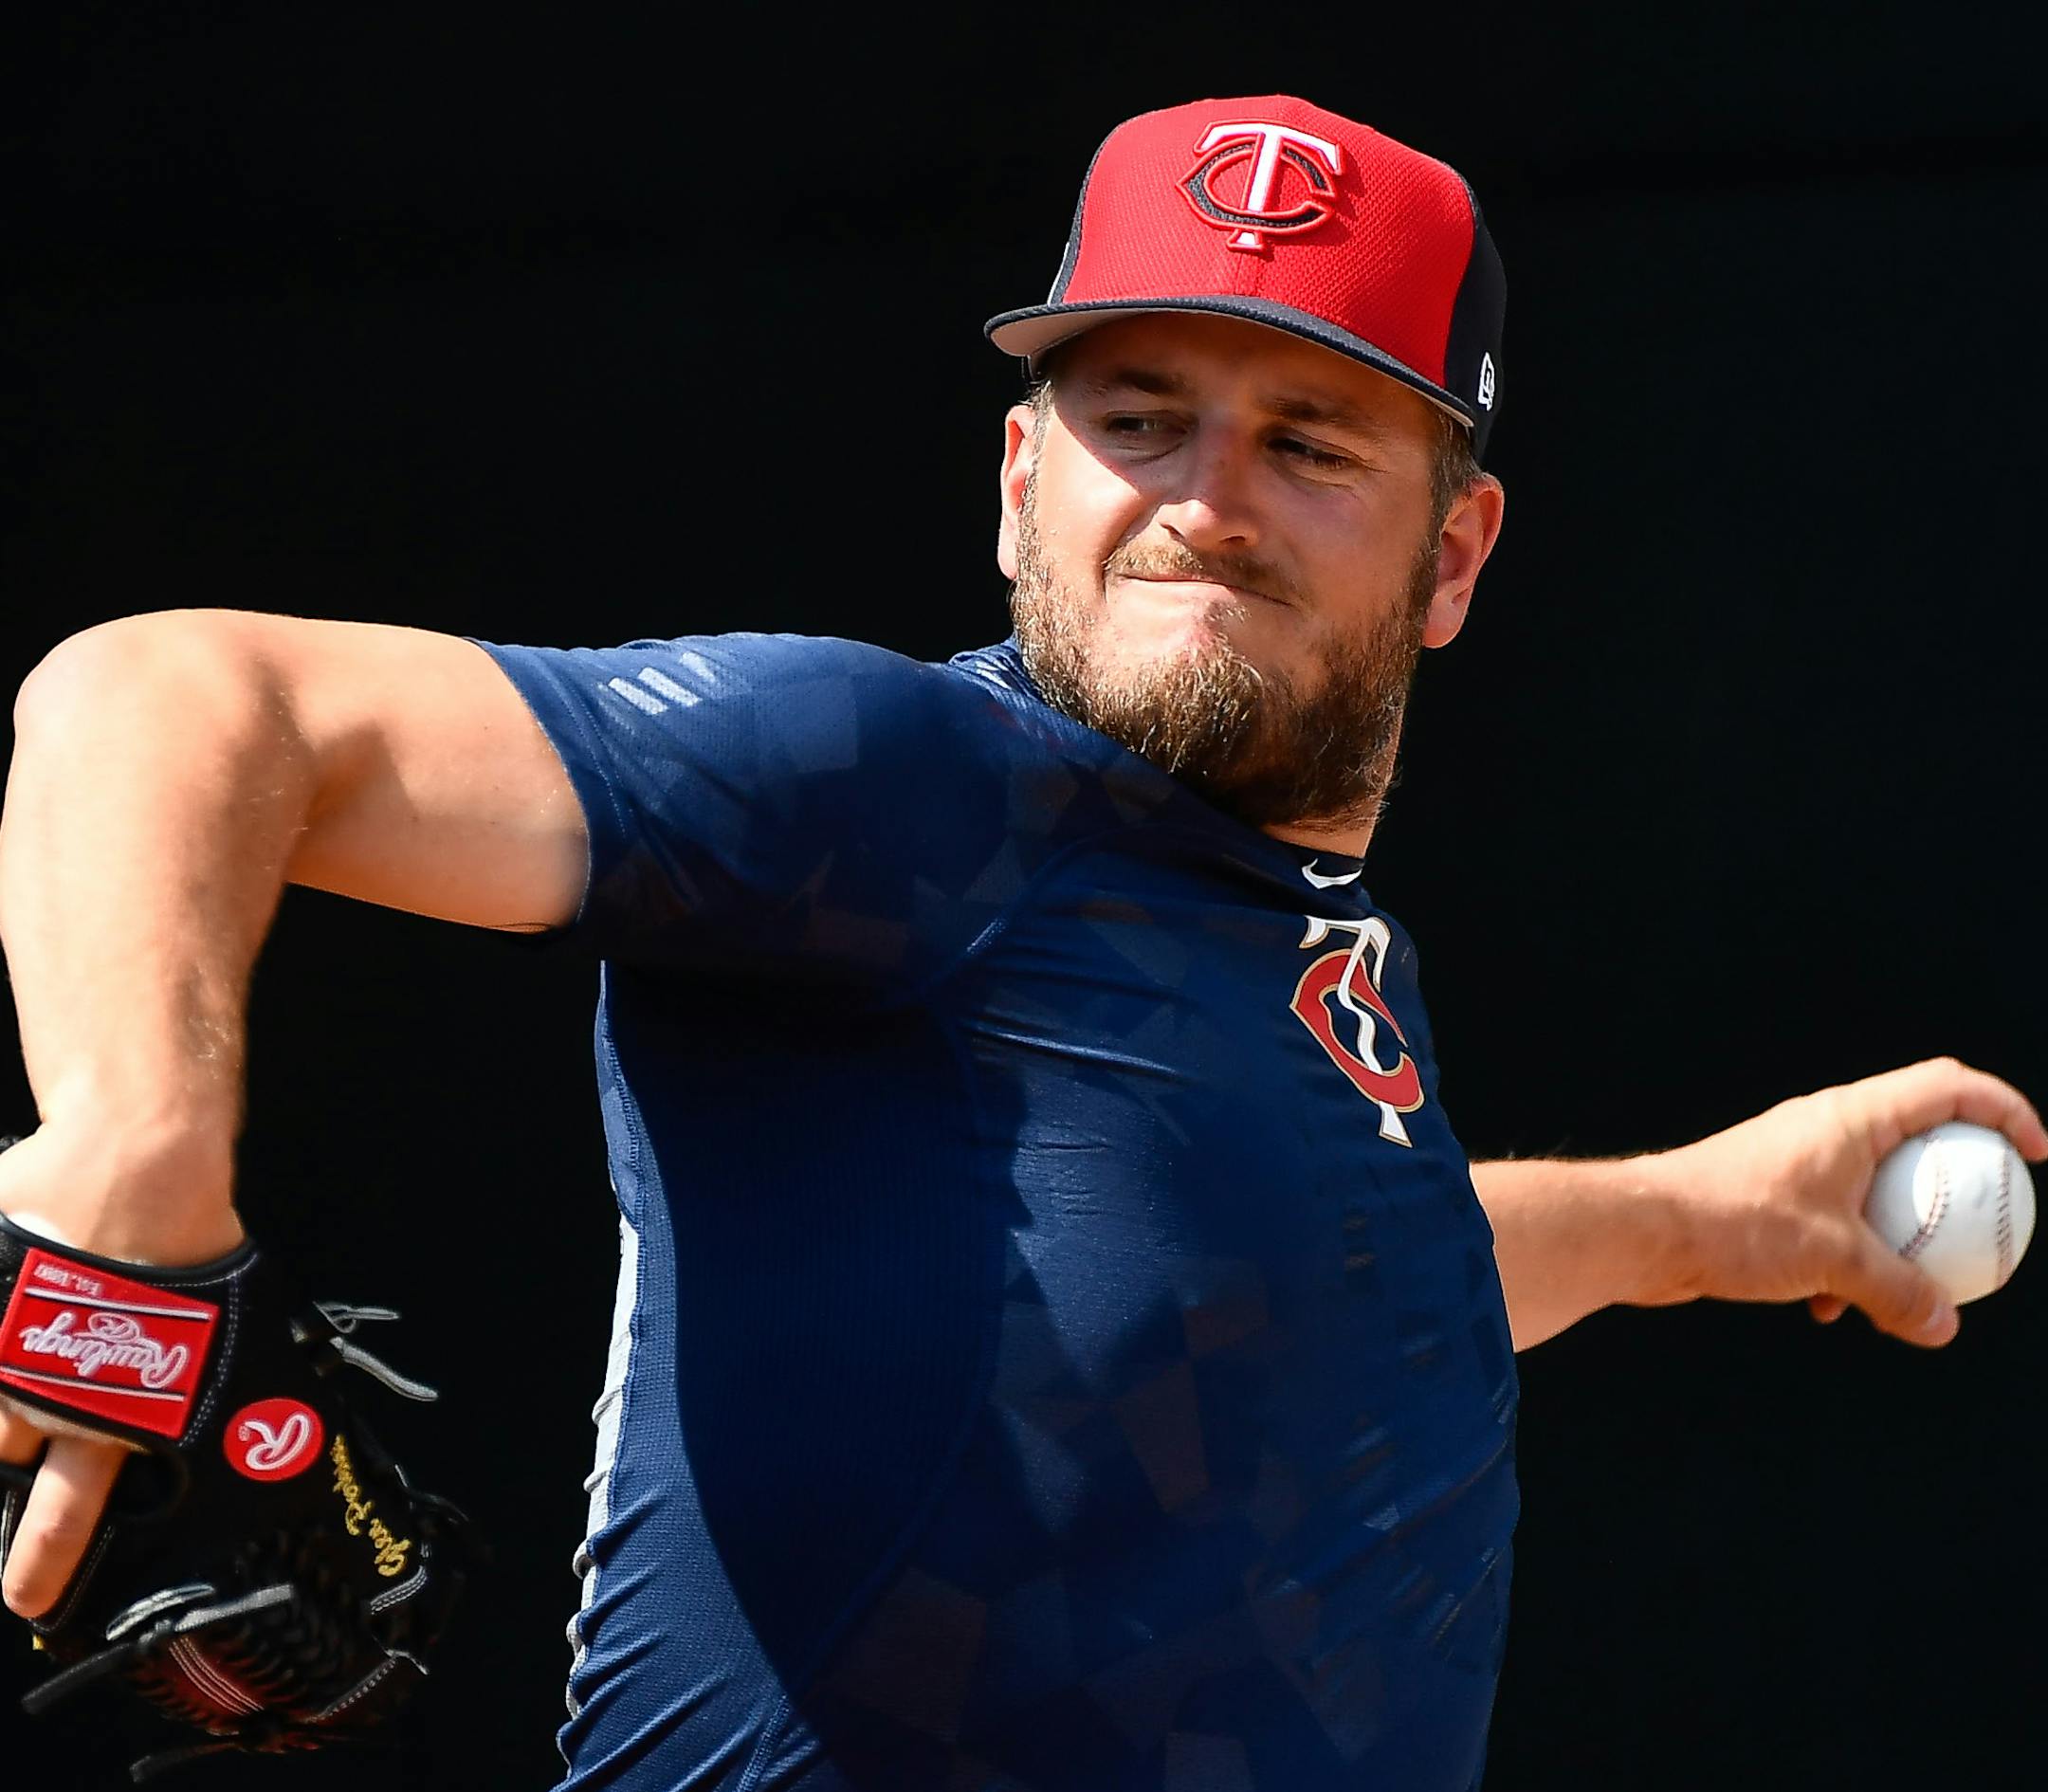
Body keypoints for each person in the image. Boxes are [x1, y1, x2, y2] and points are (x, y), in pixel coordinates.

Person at [0, 93, 2039, 1792]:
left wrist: (1697, 1220)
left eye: (1309, 441)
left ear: (1457, 555)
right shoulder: (885, 790)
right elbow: (173, 696)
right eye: (1138, 415)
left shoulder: (1324, 964)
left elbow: (1299, 1294)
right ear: (1015, 482)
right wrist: (135, 1134)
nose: (1202, 499)